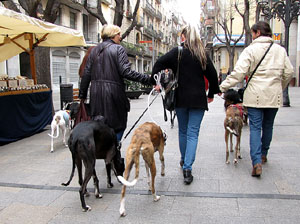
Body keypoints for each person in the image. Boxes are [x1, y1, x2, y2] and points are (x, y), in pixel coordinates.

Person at [219, 21, 293, 177]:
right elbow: (289, 72)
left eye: (252, 33)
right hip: (273, 95)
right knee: (268, 126)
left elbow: (238, 74)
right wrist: (280, 86)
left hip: (255, 96)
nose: (251, 36)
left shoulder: (250, 50)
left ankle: (257, 162)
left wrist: (221, 87)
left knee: (255, 128)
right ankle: (264, 154)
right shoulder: (280, 50)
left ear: (258, 32)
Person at [152, 25, 220, 184]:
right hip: (198, 99)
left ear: (184, 36)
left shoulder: (178, 52)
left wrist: (155, 81)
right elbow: (212, 74)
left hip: (181, 98)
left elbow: (159, 63)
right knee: (193, 133)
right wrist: (211, 94)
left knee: (183, 131)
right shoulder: (201, 53)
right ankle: (188, 168)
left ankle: (184, 160)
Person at [79, 24, 156, 143]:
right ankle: (114, 150)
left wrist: (82, 95)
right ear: (113, 35)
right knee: (118, 125)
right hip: (114, 94)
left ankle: (108, 151)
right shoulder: (118, 49)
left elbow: (86, 74)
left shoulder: (94, 51)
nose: (120, 37)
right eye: (119, 34)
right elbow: (126, 72)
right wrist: (147, 79)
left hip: (96, 94)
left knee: (100, 124)